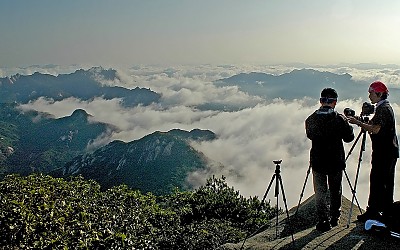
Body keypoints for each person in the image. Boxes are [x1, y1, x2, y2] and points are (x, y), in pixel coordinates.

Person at [347, 81, 399, 222]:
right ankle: (385, 211)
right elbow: (374, 125)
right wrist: (358, 119)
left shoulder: (383, 109)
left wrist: (358, 123)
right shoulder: (384, 107)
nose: (369, 95)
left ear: (379, 94)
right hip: (389, 152)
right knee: (385, 182)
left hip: (384, 153)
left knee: (377, 180)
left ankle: (374, 211)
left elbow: (376, 129)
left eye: (371, 92)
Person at [306, 87, 355, 232]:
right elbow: (349, 138)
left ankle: (323, 220)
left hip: (318, 161)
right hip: (335, 161)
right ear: (335, 102)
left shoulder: (311, 119)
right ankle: (335, 217)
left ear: (321, 101)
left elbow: (310, 135)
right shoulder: (339, 119)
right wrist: (346, 122)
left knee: (320, 192)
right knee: (335, 190)